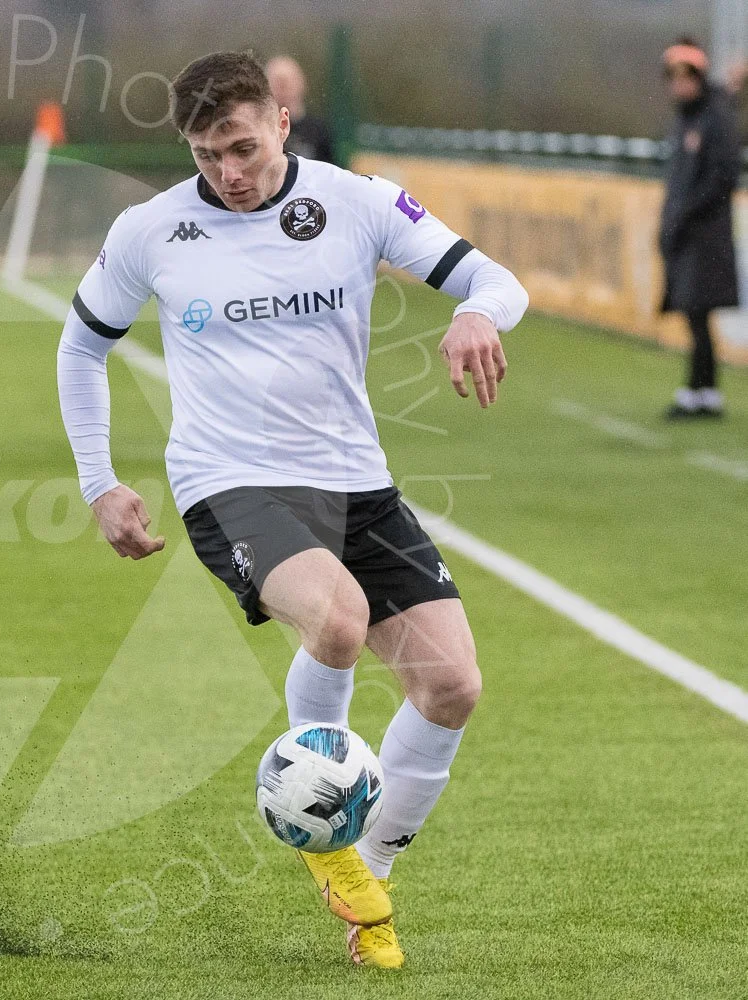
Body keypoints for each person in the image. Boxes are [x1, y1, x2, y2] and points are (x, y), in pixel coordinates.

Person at [56, 51, 528, 969]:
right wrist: (98, 480)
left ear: (279, 120)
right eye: (205, 155)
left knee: (452, 686)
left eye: (239, 147)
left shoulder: (356, 202)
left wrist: (479, 316)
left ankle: (367, 863)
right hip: (228, 480)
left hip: (354, 478)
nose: (226, 173)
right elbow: (82, 348)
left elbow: (495, 280)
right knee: (339, 620)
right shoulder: (152, 230)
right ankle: (322, 819)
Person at [658, 39, 739, 418]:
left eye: (685, 77)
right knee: (693, 314)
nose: (678, 85)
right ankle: (700, 390)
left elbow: (722, 177)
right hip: (685, 233)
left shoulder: (715, 117)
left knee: (699, 313)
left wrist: (686, 214)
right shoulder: (685, 119)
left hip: (705, 236)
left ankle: (703, 392)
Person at [265, 54, 338, 165]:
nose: (283, 88)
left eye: (287, 81)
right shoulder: (259, 128)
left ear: (301, 83)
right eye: (277, 81)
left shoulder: (318, 130)